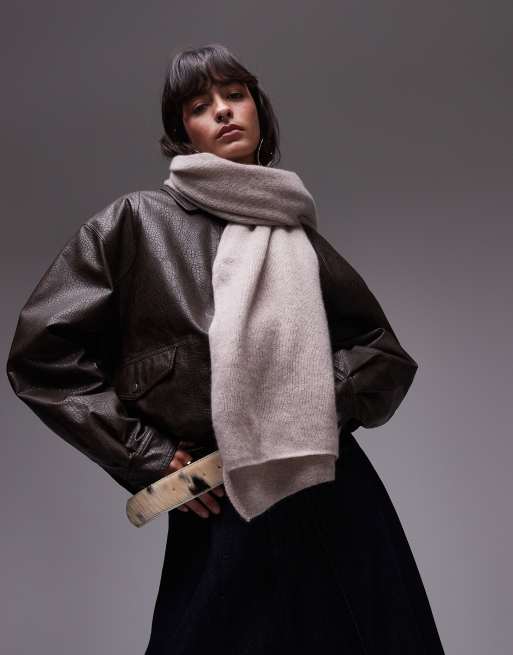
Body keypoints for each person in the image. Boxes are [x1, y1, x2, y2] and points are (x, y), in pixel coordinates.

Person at [6, 43, 446, 654]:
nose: (222, 110)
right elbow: (40, 356)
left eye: (235, 95)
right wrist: (146, 453)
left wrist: (303, 404)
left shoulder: (295, 234)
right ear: (182, 132)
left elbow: (384, 356)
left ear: (258, 110)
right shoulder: (136, 224)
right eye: (199, 105)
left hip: (331, 493)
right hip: (222, 503)